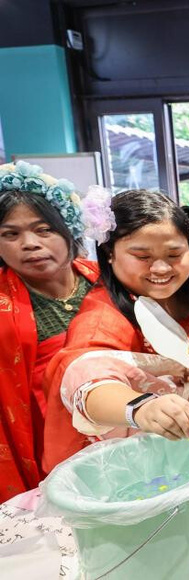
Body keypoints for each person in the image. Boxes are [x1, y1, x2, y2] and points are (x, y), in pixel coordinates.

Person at [42, 189, 189, 472]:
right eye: (142, 256)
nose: (161, 268)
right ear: (109, 254)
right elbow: (87, 378)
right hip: (162, 462)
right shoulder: (102, 317)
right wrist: (141, 408)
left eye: (174, 253)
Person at [0, 162, 102, 501]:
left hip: (127, 420)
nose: (29, 244)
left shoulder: (108, 280)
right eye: (10, 234)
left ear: (67, 230)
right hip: (49, 443)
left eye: (43, 230)